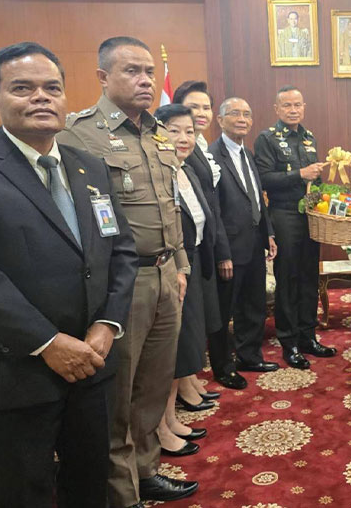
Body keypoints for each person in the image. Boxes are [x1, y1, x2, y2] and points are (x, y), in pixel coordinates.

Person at [0, 42, 138, 507]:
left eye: (52, 88)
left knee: (88, 487)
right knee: (23, 495)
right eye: (22, 88)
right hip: (15, 376)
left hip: (91, 368)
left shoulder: (88, 166)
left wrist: (108, 324)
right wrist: (49, 343)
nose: (41, 97)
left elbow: (121, 251)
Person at [57, 36, 197, 506]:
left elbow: (169, 206)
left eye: (149, 72)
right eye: (132, 71)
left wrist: (180, 265)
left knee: (154, 386)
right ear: (103, 77)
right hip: (123, 282)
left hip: (165, 275)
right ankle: (122, 493)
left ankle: (146, 470)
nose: (145, 80)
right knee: (118, 394)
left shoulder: (156, 132)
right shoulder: (78, 134)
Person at [151, 104, 220, 458]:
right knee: (169, 352)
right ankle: (160, 427)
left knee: (182, 346)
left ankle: (170, 418)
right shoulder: (157, 172)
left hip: (190, 263)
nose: (183, 138)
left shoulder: (185, 170)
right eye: (173, 130)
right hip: (168, 269)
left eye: (189, 131)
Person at [253, 86, 335, 369]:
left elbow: (314, 181)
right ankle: (289, 343)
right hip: (284, 214)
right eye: (287, 105)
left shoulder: (309, 137)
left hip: (309, 215)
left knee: (309, 277)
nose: (293, 110)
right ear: (277, 109)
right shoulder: (267, 138)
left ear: (304, 107)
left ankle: (308, 336)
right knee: (288, 279)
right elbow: (263, 178)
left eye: (297, 105)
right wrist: (300, 174)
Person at [173, 80, 246, 392]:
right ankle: (191, 381)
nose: (200, 113)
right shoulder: (181, 148)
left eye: (205, 107)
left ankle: (191, 380)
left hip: (208, 241)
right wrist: (222, 250)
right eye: (193, 107)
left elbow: (211, 205)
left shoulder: (200, 145)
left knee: (203, 315)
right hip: (187, 246)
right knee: (190, 319)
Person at [209, 97, 279, 376]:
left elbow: (257, 199)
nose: (242, 119)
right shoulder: (212, 156)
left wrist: (268, 233)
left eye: (247, 114)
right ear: (220, 120)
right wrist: (222, 253)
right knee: (224, 310)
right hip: (229, 248)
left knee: (253, 306)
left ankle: (250, 357)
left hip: (254, 245)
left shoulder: (247, 154)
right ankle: (224, 367)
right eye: (235, 113)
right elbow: (213, 211)